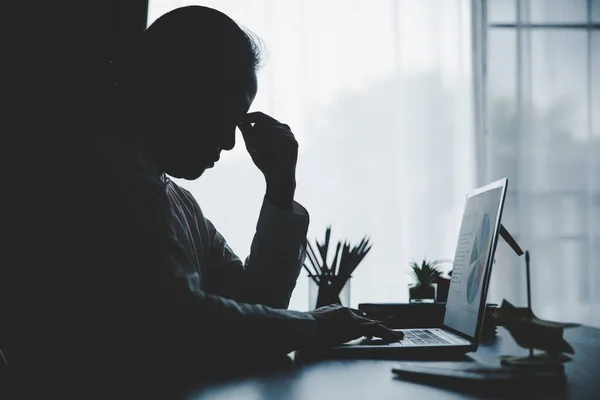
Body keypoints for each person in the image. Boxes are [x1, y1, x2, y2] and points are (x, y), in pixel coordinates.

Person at [8, 5, 402, 387]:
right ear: (180, 90)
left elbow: (256, 301)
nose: (231, 142)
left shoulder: (174, 199)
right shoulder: (108, 173)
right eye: (227, 114)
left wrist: (281, 191)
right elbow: (184, 322)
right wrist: (316, 325)